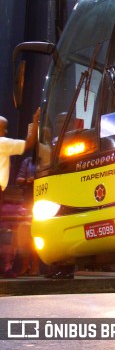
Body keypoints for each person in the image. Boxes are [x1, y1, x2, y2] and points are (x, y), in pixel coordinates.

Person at [0, 108, 39, 278]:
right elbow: (29, 143)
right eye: (3, 128)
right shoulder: (2, 143)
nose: (5, 131)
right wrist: (35, 120)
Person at [15, 155, 42, 276]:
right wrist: (27, 180)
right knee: (24, 235)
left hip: (41, 201)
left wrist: (37, 180)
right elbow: (18, 179)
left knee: (36, 235)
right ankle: (25, 265)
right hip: (27, 201)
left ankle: (35, 266)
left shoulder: (47, 160)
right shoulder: (28, 160)